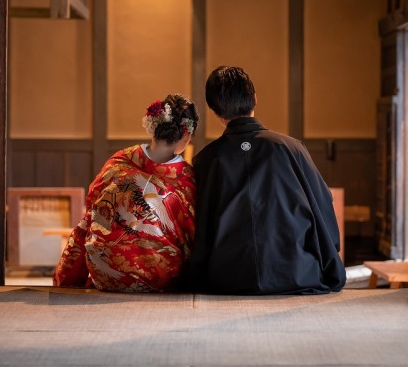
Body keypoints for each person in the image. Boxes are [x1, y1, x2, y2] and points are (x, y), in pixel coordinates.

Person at [183, 66, 346, 295]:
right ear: (255, 99)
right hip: (295, 273)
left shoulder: (206, 160)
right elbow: (322, 210)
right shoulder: (291, 149)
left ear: (214, 109)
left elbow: (195, 228)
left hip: (226, 279)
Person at [53, 93, 200, 292]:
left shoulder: (121, 160)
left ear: (154, 126)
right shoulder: (186, 179)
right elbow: (191, 235)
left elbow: (92, 211)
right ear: (186, 135)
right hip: (157, 282)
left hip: (104, 273)